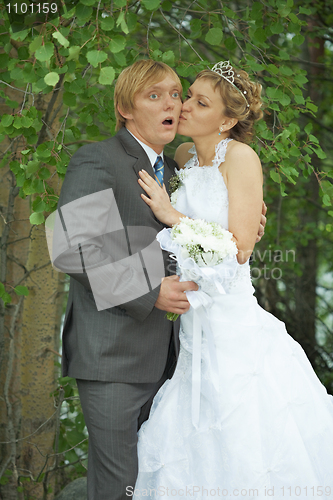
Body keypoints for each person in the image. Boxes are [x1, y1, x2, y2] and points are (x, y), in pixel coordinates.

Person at [51, 59, 266, 499]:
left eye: (175, 93)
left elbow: (215, 237)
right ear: (125, 108)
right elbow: (74, 246)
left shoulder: (180, 165)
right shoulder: (99, 158)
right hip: (113, 356)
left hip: (178, 357)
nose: (172, 103)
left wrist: (240, 232)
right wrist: (150, 290)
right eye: (155, 95)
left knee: (160, 484)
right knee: (119, 488)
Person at [132, 62, 333, 498]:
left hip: (231, 323)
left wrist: (173, 215)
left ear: (226, 121)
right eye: (189, 96)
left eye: (200, 103)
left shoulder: (241, 158)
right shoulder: (182, 157)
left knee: (243, 429)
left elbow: (238, 248)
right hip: (191, 323)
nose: (184, 107)